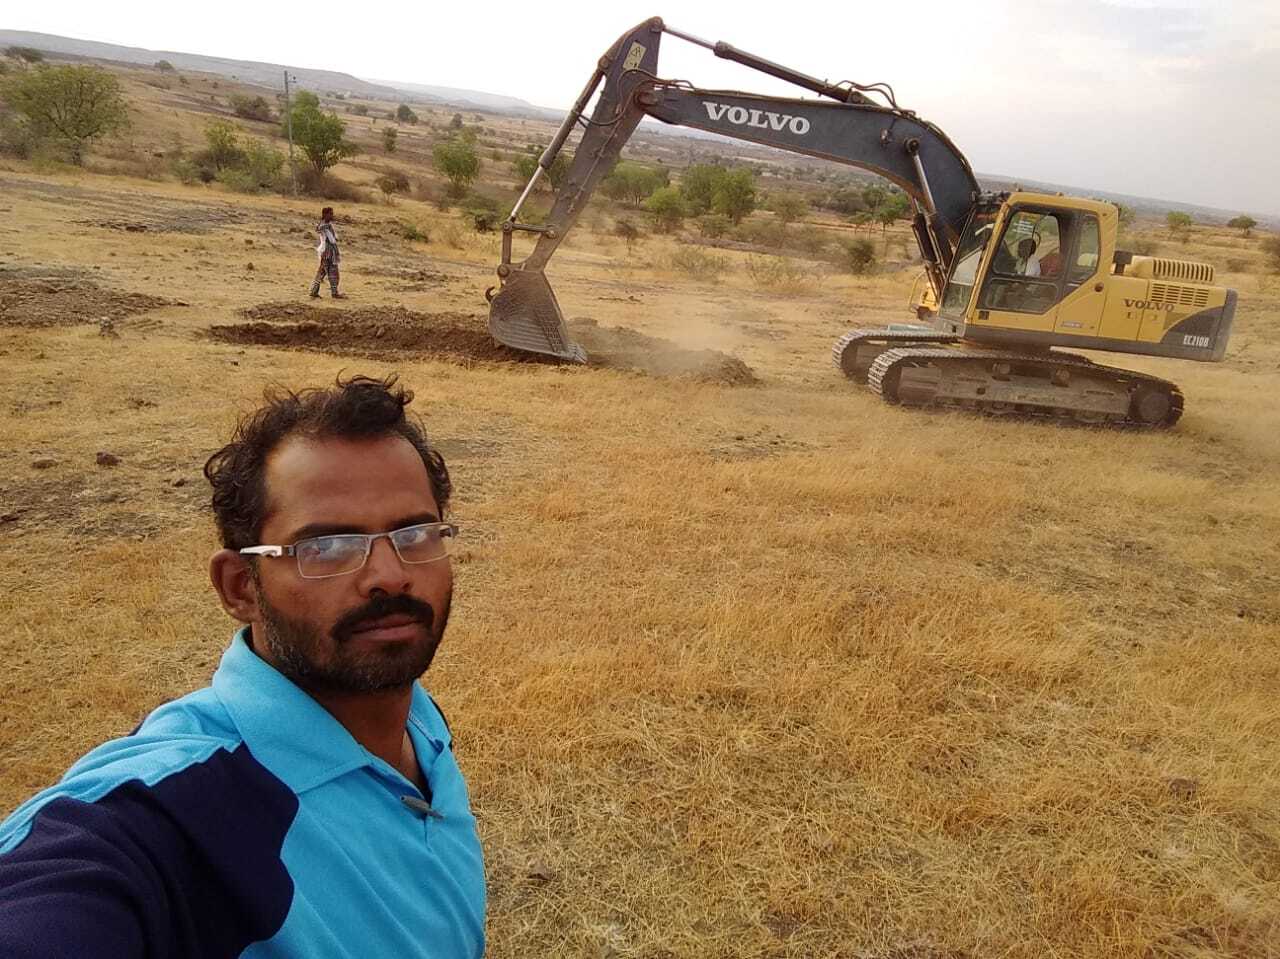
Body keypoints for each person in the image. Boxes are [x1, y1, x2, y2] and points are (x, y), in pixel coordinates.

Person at [0, 376, 485, 958]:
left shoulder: (416, 721)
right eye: (326, 547)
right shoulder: (171, 815)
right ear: (240, 587)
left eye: (414, 533)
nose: (390, 574)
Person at [309, 206, 345, 299]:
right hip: (326, 252)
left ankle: (332, 293)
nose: (332, 215)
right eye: (330, 214)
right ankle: (316, 292)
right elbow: (318, 229)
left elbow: (333, 238)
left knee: (332, 273)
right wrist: (327, 225)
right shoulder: (323, 225)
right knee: (323, 273)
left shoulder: (328, 225)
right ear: (325, 215)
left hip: (331, 252)